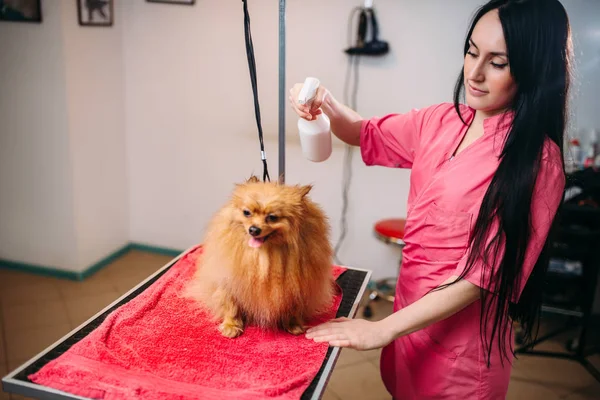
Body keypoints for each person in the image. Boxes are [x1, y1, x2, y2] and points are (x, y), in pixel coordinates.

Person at [289, 0, 572, 398]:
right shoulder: (441, 120)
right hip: (409, 329)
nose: (473, 72)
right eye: (472, 51)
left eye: (498, 62)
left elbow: (481, 278)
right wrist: (324, 103)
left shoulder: (538, 162)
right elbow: (362, 132)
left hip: (462, 357)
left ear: (533, 69)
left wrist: (380, 328)